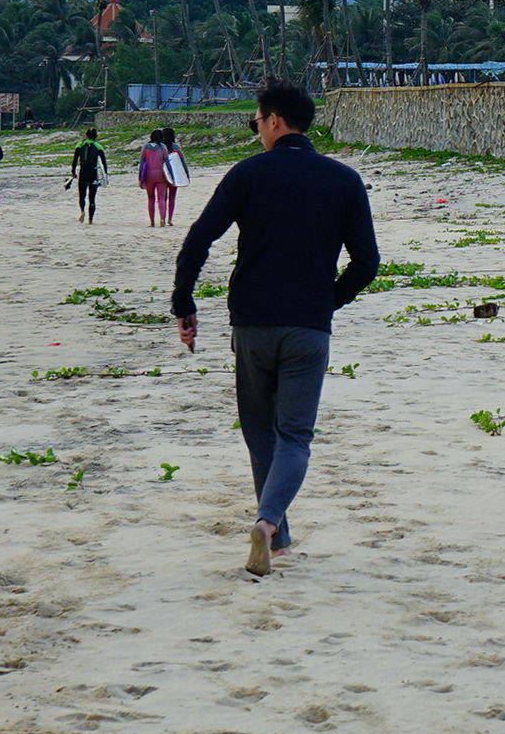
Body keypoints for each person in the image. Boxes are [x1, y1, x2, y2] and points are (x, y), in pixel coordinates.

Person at [171, 82, 378, 577]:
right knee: (294, 435)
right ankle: (268, 526)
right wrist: (328, 300)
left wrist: (184, 301)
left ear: (275, 121)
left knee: (261, 432)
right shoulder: (343, 180)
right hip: (308, 325)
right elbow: (366, 263)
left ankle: (277, 536)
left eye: (256, 122)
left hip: (252, 323)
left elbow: (198, 240)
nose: (256, 130)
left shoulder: (248, 174)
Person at [139, 127, 178, 227]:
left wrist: (140, 178)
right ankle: (162, 219)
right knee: (161, 198)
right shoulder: (163, 147)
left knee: (151, 198)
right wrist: (172, 176)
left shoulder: (146, 147)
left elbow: (142, 163)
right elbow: (168, 163)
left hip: (149, 175)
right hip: (161, 175)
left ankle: (152, 221)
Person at [71, 128, 108, 224]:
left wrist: (73, 172)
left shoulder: (80, 145)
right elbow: (103, 163)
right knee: (92, 197)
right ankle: (90, 220)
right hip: (93, 173)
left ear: (86, 135)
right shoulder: (98, 146)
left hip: (83, 172)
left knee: (82, 195)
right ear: (96, 136)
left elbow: (75, 160)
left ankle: (82, 211)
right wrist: (106, 175)